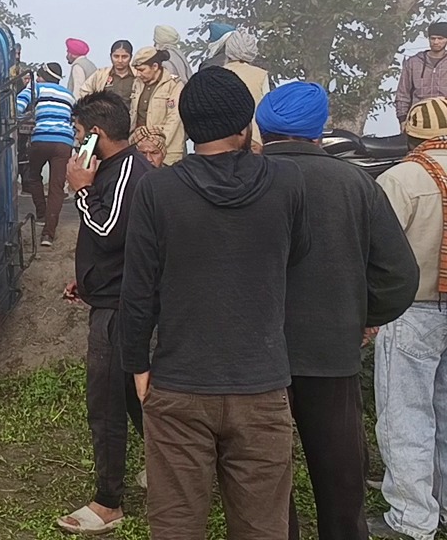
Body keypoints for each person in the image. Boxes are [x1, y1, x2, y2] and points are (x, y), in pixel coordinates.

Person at [119, 67, 310, 539]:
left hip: (178, 382)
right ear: (246, 125)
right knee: (262, 525)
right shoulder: (287, 182)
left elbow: (138, 289)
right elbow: (297, 254)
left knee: (176, 523)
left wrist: (138, 364)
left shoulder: (157, 189)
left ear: (187, 124)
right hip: (261, 384)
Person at [258, 82, 418, 540]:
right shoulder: (354, 183)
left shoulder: (246, 180)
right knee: (341, 475)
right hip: (332, 349)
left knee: (266, 477)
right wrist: (366, 316)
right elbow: (398, 274)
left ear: (263, 129)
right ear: (319, 130)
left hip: (259, 354)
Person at [56, 91, 150, 535]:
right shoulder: (113, 170)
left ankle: (108, 502)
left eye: (78, 132)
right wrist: (88, 279)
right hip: (111, 296)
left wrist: (81, 189)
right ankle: (167, 462)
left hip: (119, 310)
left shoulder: (127, 171)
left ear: (95, 133)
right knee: (132, 397)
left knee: (107, 405)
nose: (76, 141)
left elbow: (108, 230)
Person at [370, 97, 447, 540]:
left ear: (411, 136)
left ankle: (412, 518)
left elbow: (377, 251)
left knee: (405, 417)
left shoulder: (402, 177)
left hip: (412, 309)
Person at [16, 62, 76, 247]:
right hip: (64, 142)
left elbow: (17, 106)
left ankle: (41, 214)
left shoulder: (36, 87)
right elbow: (74, 118)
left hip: (41, 139)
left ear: (42, 77)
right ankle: (48, 234)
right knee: (57, 187)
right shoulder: (69, 94)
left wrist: (22, 119)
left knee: (33, 176)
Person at [128, 47, 186, 165]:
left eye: (142, 70)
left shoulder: (174, 84)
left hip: (167, 150)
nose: (138, 74)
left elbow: (174, 119)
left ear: (155, 66)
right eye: (137, 70)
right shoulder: (137, 83)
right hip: (140, 149)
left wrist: (157, 144)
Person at [221, 28, 272, 150]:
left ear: (228, 49)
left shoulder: (218, 73)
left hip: (223, 139)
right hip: (254, 140)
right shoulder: (261, 75)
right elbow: (266, 110)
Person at [394, 21, 447, 124]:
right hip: (418, 119)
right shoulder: (413, 62)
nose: (436, 42)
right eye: (433, 38)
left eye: (440, 38)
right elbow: (402, 93)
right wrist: (402, 119)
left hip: (445, 118)